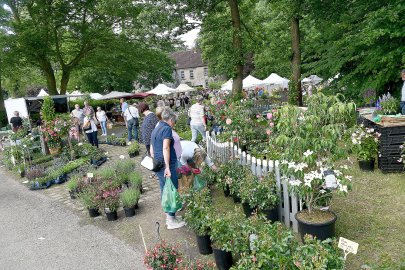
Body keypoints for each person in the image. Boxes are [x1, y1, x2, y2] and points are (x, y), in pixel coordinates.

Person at [150, 108, 185, 230]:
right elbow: (166, 148)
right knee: (171, 190)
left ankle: (170, 217)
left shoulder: (156, 128)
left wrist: (157, 165)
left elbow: (152, 150)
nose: (173, 124)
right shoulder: (166, 129)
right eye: (173, 122)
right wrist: (168, 167)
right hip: (167, 165)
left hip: (159, 165)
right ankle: (171, 220)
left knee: (164, 189)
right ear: (170, 120)